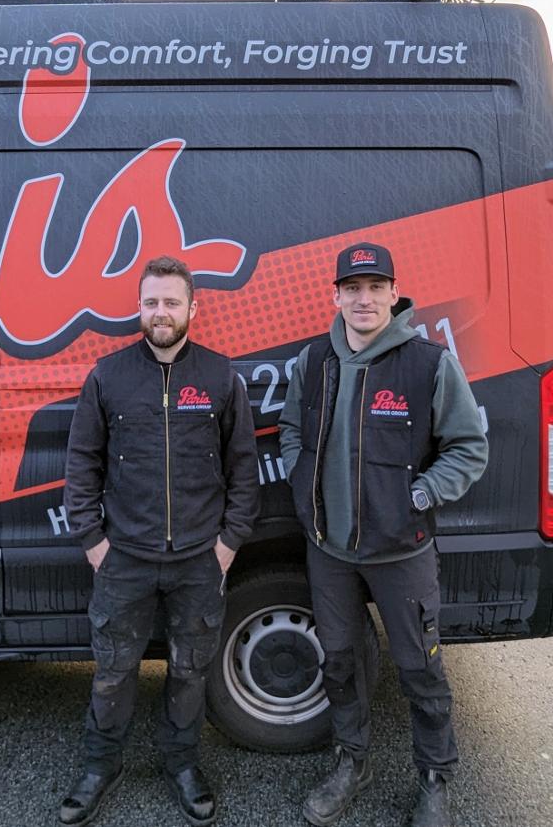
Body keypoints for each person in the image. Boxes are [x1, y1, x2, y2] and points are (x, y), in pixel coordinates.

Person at [278, 242, 488, 827]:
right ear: (336, 296)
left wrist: (418, 495)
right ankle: (353, 762)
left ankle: (435, 779)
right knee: (340, 662)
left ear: (395, 293)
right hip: (329, 550)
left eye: (375, 287)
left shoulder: (428, 364)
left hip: (402, 551)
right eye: (353, 288)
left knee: (420, 667)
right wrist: (301, 476)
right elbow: (291, 428)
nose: (364, 299)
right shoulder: (313, 361)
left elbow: (469, 448)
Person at [60, 255, 260, 827]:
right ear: (139, 308)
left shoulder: (220, 377)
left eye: (172, 302)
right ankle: (100, 765)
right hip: (123, 558)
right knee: (113, 669)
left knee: (190, 669)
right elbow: (81, 465)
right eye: (151, 302)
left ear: (193, 307)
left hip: (200, 560)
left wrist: (227, 545)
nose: (161, 312)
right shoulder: (108, 377)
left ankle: (182, 763)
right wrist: (94, 542)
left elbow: (243, 470)